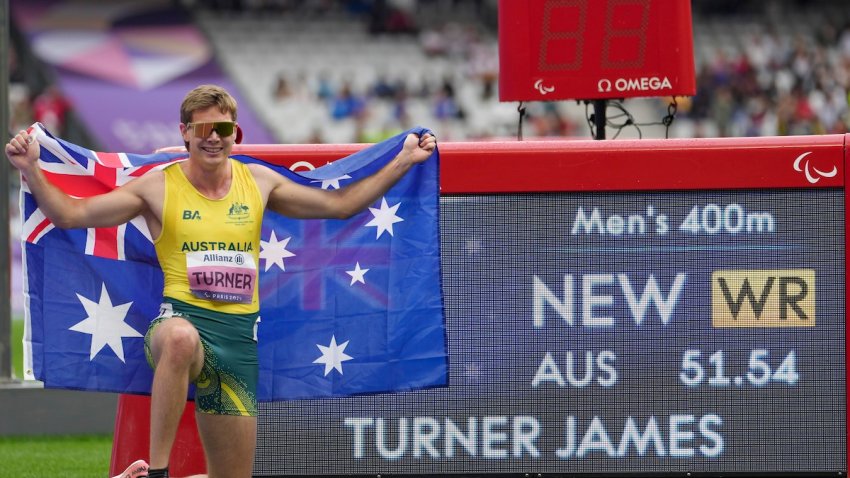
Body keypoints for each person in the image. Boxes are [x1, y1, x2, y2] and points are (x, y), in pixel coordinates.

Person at [5, 84, 437, 478]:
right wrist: (30, 168)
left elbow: (340, 205)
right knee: (179, 340)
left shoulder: (260, 182)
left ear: (237, 134)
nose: (214, 137)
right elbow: (72, 215)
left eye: (223, 128)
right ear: (185, 133)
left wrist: (403, 160)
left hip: (237, 344)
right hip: (179, 323)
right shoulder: (156, 188)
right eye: (204, 128)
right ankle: (156, 472)